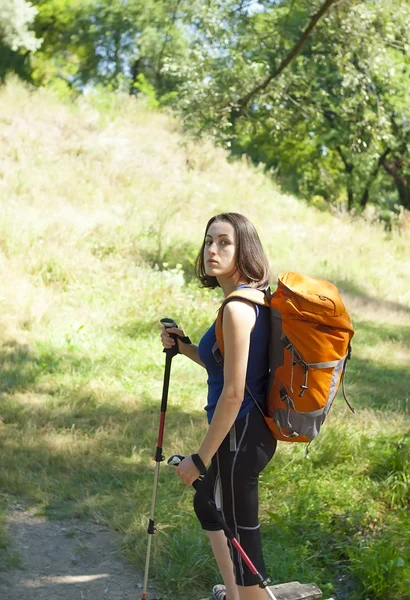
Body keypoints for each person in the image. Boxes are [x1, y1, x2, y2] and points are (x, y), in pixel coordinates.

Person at [160, 212, 277, 600]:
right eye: (209, 241)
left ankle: (245, 595)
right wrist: (184, 347)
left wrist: (200, 458)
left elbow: (233, 394)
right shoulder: (248, 301)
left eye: (224, 242)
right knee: (208, 506)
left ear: (244, 248)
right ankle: (233, 593)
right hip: (246, 434)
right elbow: (222, 361)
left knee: (245, 543)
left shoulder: (236, 308)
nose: (212, 249)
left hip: (240, 438)